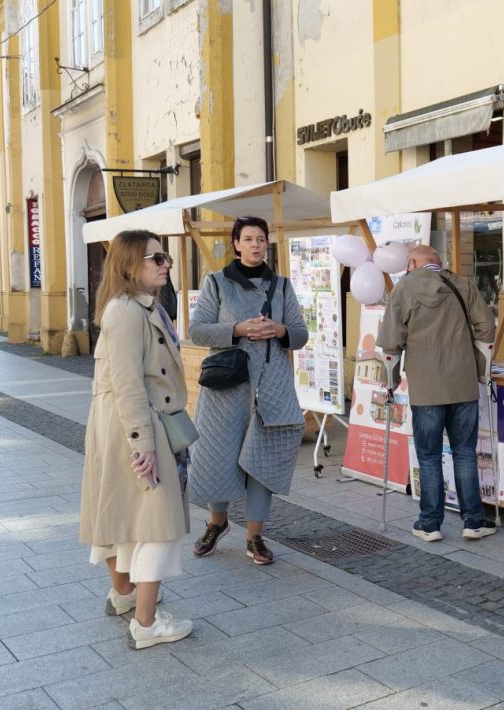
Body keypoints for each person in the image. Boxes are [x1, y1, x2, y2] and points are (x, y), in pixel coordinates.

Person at [78, 229, 193, 649]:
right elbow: (128, 384)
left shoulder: (140, 306)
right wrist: (142, 443)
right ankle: (145, 623)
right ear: (130, 265)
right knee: (156, 521)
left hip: (128, 422)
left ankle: (125, 595)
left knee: (121, 512)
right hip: (138, 423)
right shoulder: (126, 311)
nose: (166, 264)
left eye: (166, 258)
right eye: (156, 258)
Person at [189, 216, 308, 566]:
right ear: (236, 244)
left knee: (263, 458)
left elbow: (300, 335)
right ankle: (217, 523)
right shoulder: (216, 282)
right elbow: (198, 331)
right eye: (249, 239)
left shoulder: (283, 286)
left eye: (261, 239)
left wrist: (279, 329)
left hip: (271, 386)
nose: (256, 245)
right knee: (217, 456)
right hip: (227, 386)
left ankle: (255, 536)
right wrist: (239, 328)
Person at [379, 244, 497, 542]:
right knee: (464, 452)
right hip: (462, 383)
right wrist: (481, 368)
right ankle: (473, 521)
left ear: (413, 263)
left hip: (426, 386)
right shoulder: (461, 283)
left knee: (429, 456)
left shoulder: (403, 288)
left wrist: (390, 380)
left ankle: (430, 524)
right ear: (439, 262)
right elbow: (486, 326)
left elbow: (391, 341)